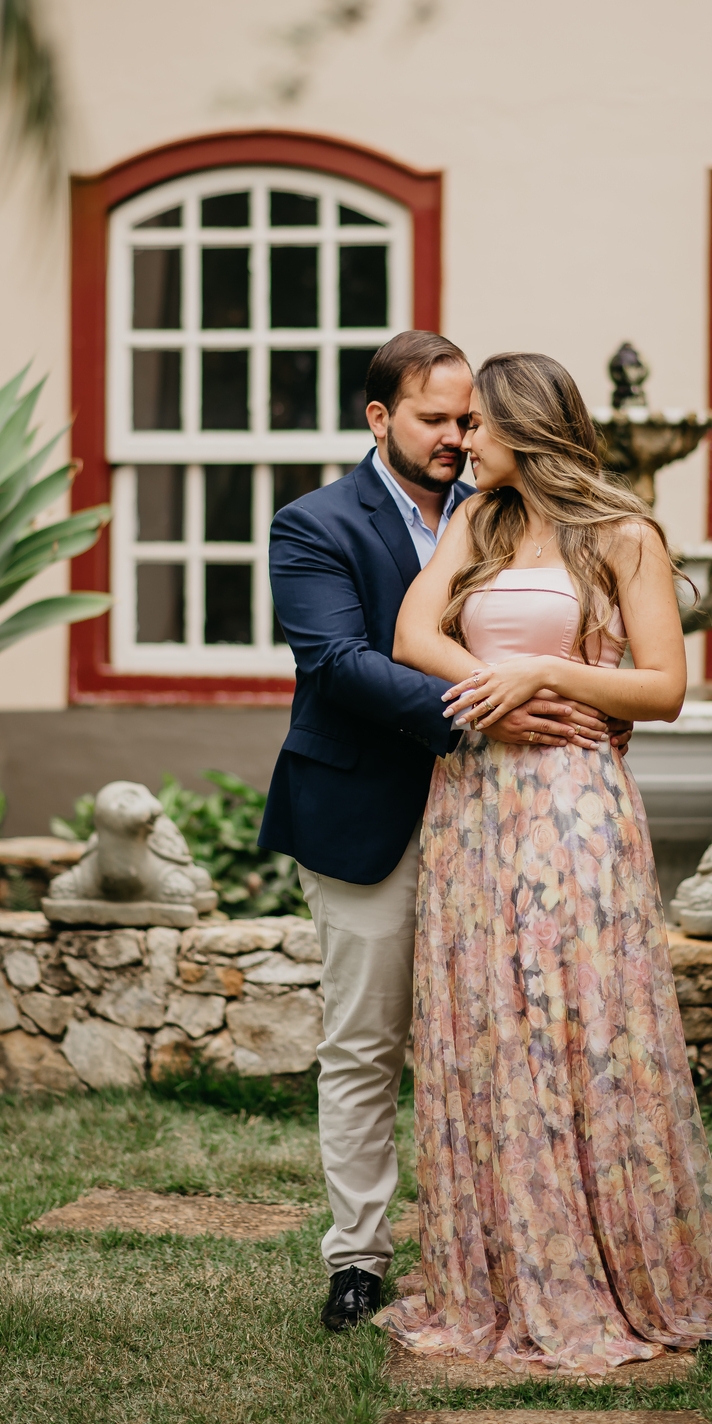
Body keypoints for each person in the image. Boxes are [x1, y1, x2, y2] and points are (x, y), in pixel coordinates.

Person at [375, 351, 712, 1374]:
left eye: (478, 428)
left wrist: (550, 669)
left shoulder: (624, 534)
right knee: (490, 1025)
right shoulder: (475, 523)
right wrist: (500, 682)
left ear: (526, 428)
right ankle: (497, 1272)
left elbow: (667, 686)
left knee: (580, 1021)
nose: (462, 442)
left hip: (575, 803)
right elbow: (414, 631)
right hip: (476, 804)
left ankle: (613, 1266)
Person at [258, 331, 626, 1333]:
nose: (459, 438)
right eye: (436, 420)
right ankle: (358, 1259)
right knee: (366, 1043)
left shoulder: (512, 510)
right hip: (367, 809)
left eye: (470, 419)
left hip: (512, 819)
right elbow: (335, 661)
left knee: (515, 1041)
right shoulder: (313, 522)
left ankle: (513, 1250)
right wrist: (483, 706)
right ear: (379, 418)